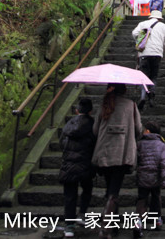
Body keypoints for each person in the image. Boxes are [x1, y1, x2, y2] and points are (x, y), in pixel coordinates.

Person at [91, 84, 142, 239]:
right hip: (121, 153)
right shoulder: (131, 105)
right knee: (114, 191)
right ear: (124, 91)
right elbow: (139, 129)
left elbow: (95, 130)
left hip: (105, 152)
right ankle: (105, 230)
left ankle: (112, 225)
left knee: (110, 190)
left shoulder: (104, 104)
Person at [59, 97, 96, 238]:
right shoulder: (92, 124)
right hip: (85, 164)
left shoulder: (69, 124)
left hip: (68, 164)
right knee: (87, 188)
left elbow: (62, 142)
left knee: (69, 195)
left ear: (76, 110)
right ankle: (83, 213)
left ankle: (69, 227)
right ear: (91, 111)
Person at [133, 121, 165, 238]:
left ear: (148, 131)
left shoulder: (140, 144)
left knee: (142, 200)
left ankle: (139, 222)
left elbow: (136, 160)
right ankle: (157, 220)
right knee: (156, 199)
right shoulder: (161, 145)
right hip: (156, 179)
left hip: (143, 178)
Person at [132, 9, 165, 110]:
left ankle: (142, 96)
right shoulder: (163, 26)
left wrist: (140, 39)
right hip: (157, 54)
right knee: (153, 76)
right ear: (160, 18)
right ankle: (151, 96)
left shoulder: (142, 23)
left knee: (144, 75)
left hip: (144, 53)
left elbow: (134, 33)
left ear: (150, 17)